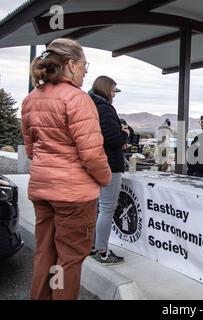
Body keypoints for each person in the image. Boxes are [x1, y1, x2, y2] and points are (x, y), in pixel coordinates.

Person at [21, 38, 112, 299]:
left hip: (42, 190)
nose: (86, 71)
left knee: (45, 254)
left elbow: (30, 149)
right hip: (73, 196)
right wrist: (104, 178)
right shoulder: (78, 99)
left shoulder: (30, 100)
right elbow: (92, 154)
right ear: (71, 65)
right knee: (68, 260)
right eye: (84, 65)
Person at [89, 76, 130, 264]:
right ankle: (102, 251)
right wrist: (124, 134)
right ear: (106, 89)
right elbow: (112, 138)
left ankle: (92, 245)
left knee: (97, 208)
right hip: (109, 165)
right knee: (107, 209)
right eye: (114, 90)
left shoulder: (89, 105)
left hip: (95, 162)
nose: (115, 94)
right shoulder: (104, 108)